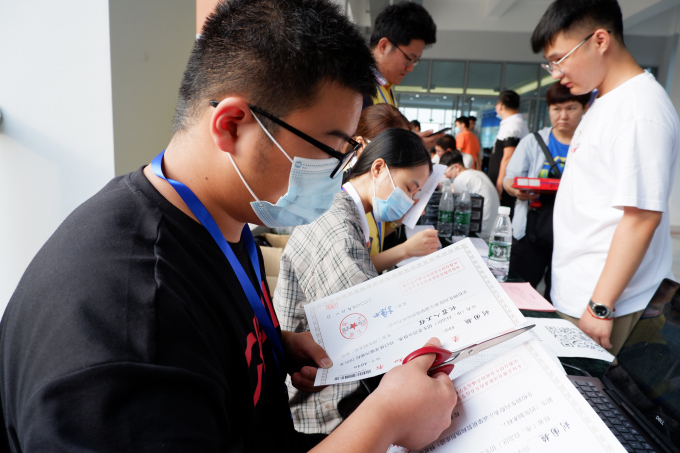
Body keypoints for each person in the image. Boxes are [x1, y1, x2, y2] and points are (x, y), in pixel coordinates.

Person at [0, 1, 458, 452]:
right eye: (330, 150)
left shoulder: (225, 222)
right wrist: (386, 419)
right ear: (232, 125)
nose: (339, 172)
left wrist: (274, 346)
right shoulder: (130, 331)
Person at [532, 0, 679, 354]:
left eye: (560, 59)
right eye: (550, 63)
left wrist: (600, 305)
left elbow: (641, 217)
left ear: (600, 40)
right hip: (581, 291)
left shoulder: (638, 109)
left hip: (608, 305)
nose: (556, 73)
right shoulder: (604, 100)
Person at [274, 128, 440, 434]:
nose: (411, 200)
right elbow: (367, 321)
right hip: (319, 406)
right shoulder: (337, 225)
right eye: (409, 188)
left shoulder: (350, 211)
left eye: (416, 194)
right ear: (378, 168)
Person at [503, 82, 590, 299]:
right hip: (531, 229)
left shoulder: (591, 143)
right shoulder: (533, 141)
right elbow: (509, 179)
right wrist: (516, 191)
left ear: (585, 108)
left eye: (571, 108)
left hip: (574, 233)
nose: (563, 116)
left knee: (562, 295)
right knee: (519, 292)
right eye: (556, 109)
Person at [347, 104, 437, 263]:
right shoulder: (347, 202)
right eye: (390, 144)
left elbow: (374, 236)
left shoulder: (371, 196)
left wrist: (397, 220)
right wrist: (405, 250)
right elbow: (356, 267)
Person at [366, 1, 442, 149]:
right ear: (384, 46)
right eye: (409, 58)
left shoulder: (385, 86)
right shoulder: (354, 85)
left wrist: (412, 141)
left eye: (415, 61)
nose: (411, 68)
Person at [440, 151, 500, 240]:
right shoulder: (477, 173)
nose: (445, 176)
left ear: (456, 167)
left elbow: (459, 210)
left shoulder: (460, 179)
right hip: (492, 228)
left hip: (479, 231)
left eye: (445, 172)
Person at [486, 90, 529, 212]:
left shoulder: (513, 124)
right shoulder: (511, 123)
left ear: (500, 106)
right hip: (503, 181)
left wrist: (500, 183)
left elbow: (508, 156)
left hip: (506, 184)